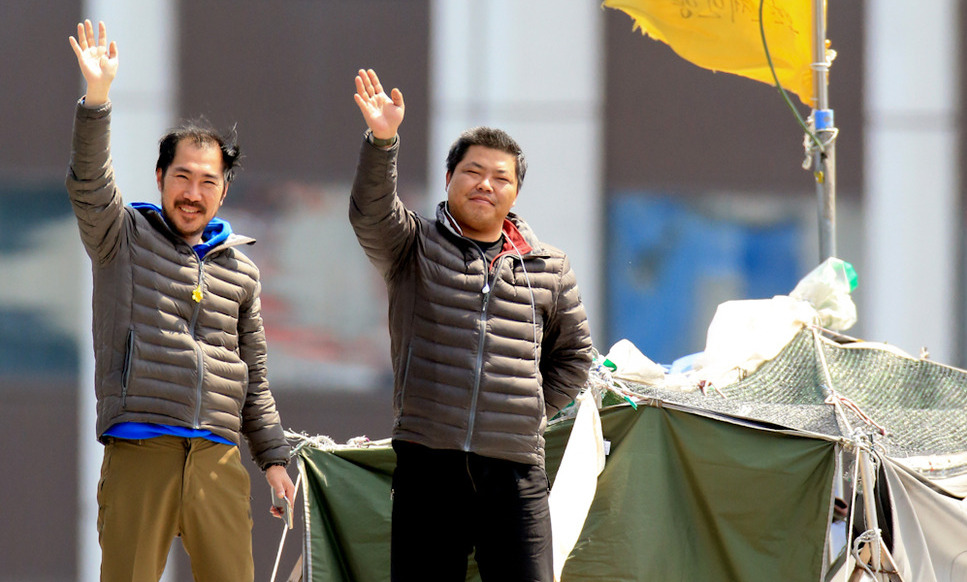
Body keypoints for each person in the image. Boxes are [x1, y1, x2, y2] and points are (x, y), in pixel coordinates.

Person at [66, 20, 295, 581]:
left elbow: (254, 376)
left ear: (224, 190)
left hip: (218, 457)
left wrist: (272, 458)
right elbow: (90, 185)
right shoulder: (123, 238)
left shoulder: (240, 270)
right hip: (140, 448)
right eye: (182, 177)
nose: (193, 193)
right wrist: (96, 100)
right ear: (161, 176)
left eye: (208, 182)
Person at [350, 68, 593, 582]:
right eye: (472, 171)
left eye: (501, 177)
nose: (486, 184)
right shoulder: (414, 245)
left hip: (515, 471)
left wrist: (526, 410)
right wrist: (382, 141)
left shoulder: (549, 267)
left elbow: (574, 356)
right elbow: (370, 214)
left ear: (515, 193)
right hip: (427, 465)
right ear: (449, 179)